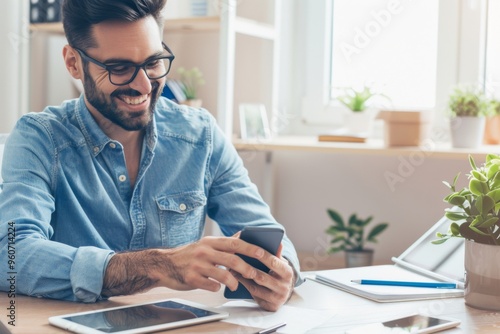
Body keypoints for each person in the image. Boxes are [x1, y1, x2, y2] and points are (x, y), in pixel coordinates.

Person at [0, 0, 302, 312]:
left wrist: (283, 275)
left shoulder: (200, 136)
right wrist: (157, 265)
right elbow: (10, 255)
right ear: (73, 62)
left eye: (153, 62)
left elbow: (266, 232)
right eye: (119, 69)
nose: (144, 84)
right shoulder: (39, 139)